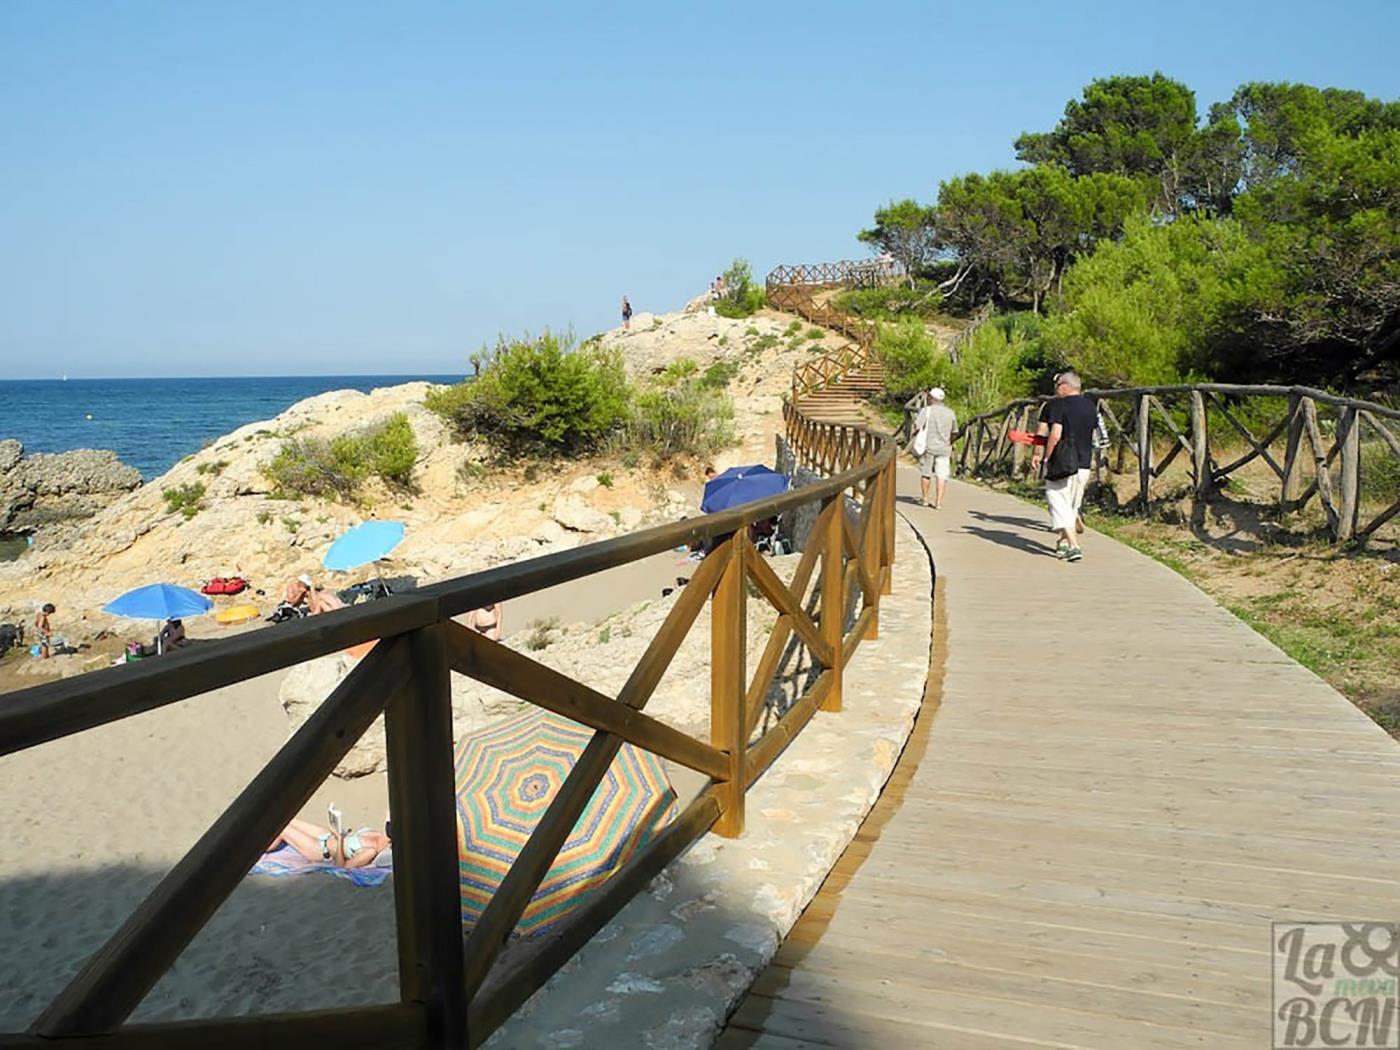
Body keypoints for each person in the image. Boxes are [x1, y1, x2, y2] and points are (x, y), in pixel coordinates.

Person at [1031, 371, 1097, 562]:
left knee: (1057, 500)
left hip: (1062, 461)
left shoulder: (1058, 405)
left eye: (1058, 385)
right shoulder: (1091, 407)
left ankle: (1074, 545)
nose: (1056, 389)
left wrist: (1046, 456)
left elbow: (1055, 434)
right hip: (1084, 462)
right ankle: (1063, 543)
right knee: (1072, 505)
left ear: (1066, 386)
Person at [266, 816, 390, 870]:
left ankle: (255, 849)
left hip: (321, 851)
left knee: (283, 829)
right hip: (327, 836)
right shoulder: (377, 834)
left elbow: (343, 866)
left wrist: (340, 839)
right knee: (288, 818)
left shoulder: (371, 850)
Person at [913, 388, 958, 509]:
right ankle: (938, 502)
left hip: (928, 447)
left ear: (931, 398)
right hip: (944, 448)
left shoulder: (926, 411)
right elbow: (954, 431)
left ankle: (925, 499)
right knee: (942, 475)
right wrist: (950, 441)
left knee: (926, 473)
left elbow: (917, 427)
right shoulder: (950, 413)